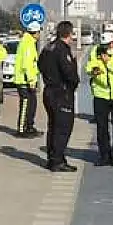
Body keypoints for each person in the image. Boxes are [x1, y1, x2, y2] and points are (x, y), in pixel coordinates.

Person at [37, 20, 79, 172]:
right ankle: (57, 160)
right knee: (63, 128)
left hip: (49, 91)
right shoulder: (62, 49)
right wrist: (72, 84)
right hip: (61, 93)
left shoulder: (48, 47)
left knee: (53, 126)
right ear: (69, 33)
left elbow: (40, 65)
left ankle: (53, 158)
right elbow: (70, 73)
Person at [85, 31, 113, 167]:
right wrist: (93, 70)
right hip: (100, 95)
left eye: (108, 45)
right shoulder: (96, 50)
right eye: (104, 45)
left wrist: (108, 63)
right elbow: (89, 66)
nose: (105, 48)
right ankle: (104, 155)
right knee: (101, 127)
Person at [14, 24, 42, 138]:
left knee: (32, 104)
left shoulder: (29, 42)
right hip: (24, 80)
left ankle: (30, 126)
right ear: (35, 33)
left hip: (29, 79)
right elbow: (27, 64)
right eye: (39, 32)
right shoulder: (27, 43)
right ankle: (21, 129)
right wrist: (31, 80)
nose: (39, 35)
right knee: (25, 104)